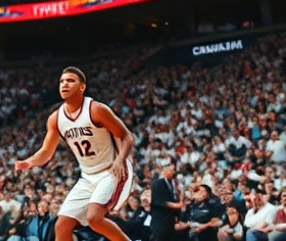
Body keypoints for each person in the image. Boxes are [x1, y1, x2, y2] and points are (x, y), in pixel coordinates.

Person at [14, 66, 136, 241]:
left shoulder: (96, 109)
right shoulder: (55, 118)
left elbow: (126, 136)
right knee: (61, 226)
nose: (64, 84)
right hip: (87, 177)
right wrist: (29, 162)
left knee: (94, 218)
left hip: (112, 171)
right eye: (62, 81)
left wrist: (120, 159)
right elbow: (46, 151)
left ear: (82, 87)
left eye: (70, 80)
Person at [150, 161, 184, 241]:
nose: (173, 172)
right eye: (171, 170)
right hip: (161, 222)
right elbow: (159, 201)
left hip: (170, 222)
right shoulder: (158, 183)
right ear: (165, 170)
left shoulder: (172, 184)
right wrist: (178, 205)